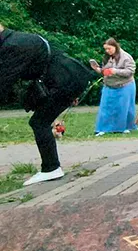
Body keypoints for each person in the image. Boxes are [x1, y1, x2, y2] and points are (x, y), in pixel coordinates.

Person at [0, 24, 98, 186]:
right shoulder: (17, 39)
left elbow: (3, 84)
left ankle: (51, 169)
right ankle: (51, 167)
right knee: (41, 120)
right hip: (68, 76)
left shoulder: (12, 46)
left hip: (64, 80)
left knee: (39, 122)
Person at [92, 38, 137, 135]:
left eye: (109, 49)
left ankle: (123, 127)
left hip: (125, 85)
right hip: (109, 85)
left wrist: (115, 71)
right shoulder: (107, 57)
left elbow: (130, 71)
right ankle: (102, 128)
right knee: (105, 107)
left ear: (115, 46)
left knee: (123, 108)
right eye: (106, 49)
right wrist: (98, 69)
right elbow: (105, 71)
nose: (107, 51)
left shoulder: (126, 57)